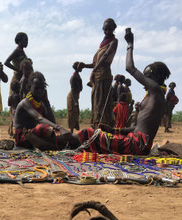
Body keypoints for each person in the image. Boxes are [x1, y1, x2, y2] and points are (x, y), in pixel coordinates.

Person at [25, 28, 171, 155]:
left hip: (137, 145)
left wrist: (130, 44)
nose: (144, 81)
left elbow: (130, 68)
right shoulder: (154, 95)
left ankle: (53, 144)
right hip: (137, 143)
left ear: (156, 78)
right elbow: (138, 127)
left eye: (148, 77)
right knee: (93, 136)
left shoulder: (157, 91)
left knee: (90, 134)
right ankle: (56, 142)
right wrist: (113, 130)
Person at [13, 72, 68, 150]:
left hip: (34, 135)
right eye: (36, 88)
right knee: (44, 128)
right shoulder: (25, 102)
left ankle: (57, 145)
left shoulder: (41, 103)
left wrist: (47, 102)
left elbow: (52, 121)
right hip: (23, 136)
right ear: (29, 87)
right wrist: (59, 128)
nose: (40, 90)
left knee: (55, 135)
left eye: (42, 88)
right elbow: (39, 118)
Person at [80, 18, 118, 128]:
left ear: (113, 29)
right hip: (96, 78)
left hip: (104, 77)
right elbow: (95, 63)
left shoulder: (113, 42)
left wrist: (94, 70)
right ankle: (96, 127)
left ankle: (104, 127)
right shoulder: (101, 45)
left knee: (102, 104)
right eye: (105, 29)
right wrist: (85, 65)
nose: (106, 31)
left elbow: (106, 56)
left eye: (109, 29)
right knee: (96, 103)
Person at [67, 62, 83, 133]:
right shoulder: (73, 77)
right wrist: (75, 101)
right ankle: (71, 131)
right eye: (80, 67)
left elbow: (80, 88)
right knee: (72, 113)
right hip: (72, 97)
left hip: (76, 96)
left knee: (76, 113)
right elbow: (73, 89)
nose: (81, 69)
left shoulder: (77, 76)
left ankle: (73, 130)